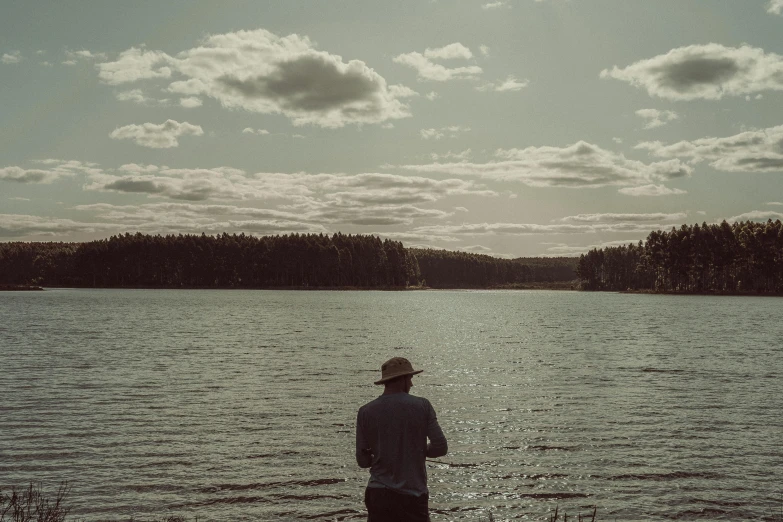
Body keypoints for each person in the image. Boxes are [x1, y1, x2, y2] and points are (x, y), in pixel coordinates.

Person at [355, 357, 448, 522]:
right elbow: (440, 447)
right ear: (403, 379)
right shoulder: (422, 406)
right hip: (412, 495)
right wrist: (418, 450)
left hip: (378, 494)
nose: (411, 384)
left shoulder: (365, 411)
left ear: (386, 381)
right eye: (410, 378)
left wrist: (380, 453)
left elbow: (362, 461)